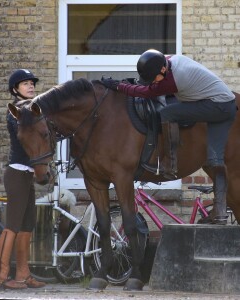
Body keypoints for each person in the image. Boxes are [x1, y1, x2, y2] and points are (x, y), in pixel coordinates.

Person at [101, 49, 237, 225]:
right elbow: (150, 84)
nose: (153, 81)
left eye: (155, 78)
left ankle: (169, 162)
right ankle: (219, 212)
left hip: (218, 107)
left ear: (163, 71)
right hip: (226, 103)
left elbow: (146, 92)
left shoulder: (175, 78)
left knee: (167, 113)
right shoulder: (167, 62)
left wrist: (118, 86)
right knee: (215, 160)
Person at [0, 69, 46, 290]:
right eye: (25, 83)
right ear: (15, 89)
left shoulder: (33, 109)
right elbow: (27, 136)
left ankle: (23, 275)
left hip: (27, 174)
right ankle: (2, 277)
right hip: (16, 173)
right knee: (12, 226)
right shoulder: (15, 111)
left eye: (31, 83)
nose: (30, 86)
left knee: (26, 225)